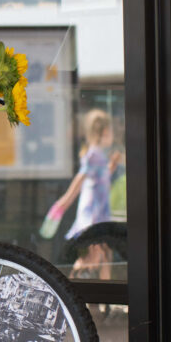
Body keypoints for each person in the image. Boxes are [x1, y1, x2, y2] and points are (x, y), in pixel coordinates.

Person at [46, 109, 122, 279]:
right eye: (110, 132)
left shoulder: (99, 156)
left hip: (99, 216)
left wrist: (111, 167)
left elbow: (99, 181)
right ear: (102, 133)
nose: (112, 136)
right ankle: (74, 287)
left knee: (102, 255)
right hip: (92, 218)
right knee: (92, 257)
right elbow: (80, 180)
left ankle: (104, 297)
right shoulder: (93, 155)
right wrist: (64, 201)